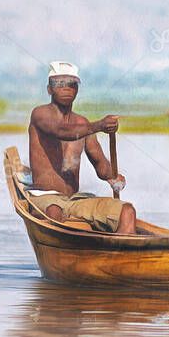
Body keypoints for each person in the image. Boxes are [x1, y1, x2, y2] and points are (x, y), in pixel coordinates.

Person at [26, 61, 138, 234]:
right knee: (54, 213)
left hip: (75, 200)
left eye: (71, 84)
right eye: (59, 84)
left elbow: (102, 168)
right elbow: (62, 131)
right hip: (45, 198)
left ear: (77, 90)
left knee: (127, 211)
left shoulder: (82, 124)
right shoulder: (40, 114)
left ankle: (119, 256)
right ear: (49, 89)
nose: (66, 88)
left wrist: (114, 176)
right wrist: (99, 125)